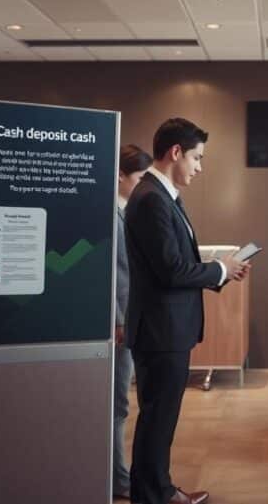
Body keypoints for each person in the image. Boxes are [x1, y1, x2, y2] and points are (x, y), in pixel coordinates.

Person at [126, 118, 250, 504]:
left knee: (159, 419)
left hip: (167, 329)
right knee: (157, 420)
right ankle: (155, 495)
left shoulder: (162, 197)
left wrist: (221, 272)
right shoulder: (150, 199)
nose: (199, 167)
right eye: (196, 158)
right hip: (161, 331)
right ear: (175, 152)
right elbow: (171, 270)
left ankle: (157, 491)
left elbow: (175, 262)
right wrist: (219, 269)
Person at [112, 144, 153, 500]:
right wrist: (117, 319)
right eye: (139, 178)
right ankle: (117, 479)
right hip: (119, 324)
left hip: (130, 319)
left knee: (121, 402)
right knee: (117, 404)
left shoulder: (126, 211)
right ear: (120, 175)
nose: (142, 185)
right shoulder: (110, 216)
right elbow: (108, 274)